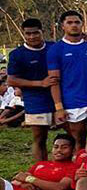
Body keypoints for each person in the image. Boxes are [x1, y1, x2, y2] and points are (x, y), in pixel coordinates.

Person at [48, 10, 87, 153]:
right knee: (78, 140)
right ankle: (80, 167)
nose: (74, 25)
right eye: (69, 23)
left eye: (77, 22)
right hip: (72, 101)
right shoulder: (56, 50)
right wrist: (59, 107)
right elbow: (54, 81)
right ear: (62, 26)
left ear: (82, 24)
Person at [6, 18, 55, 161]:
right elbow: (11, 80)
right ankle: (41, 168)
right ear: (23, 34)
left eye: (35, 33)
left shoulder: (54, 47)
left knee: (75, 132)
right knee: (40, 137)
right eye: (28, 34)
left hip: (60, 98)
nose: (32, 37)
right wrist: (40, 83)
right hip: (35, 101)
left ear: (42, 32)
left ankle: (70, 167)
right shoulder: (17, 54)